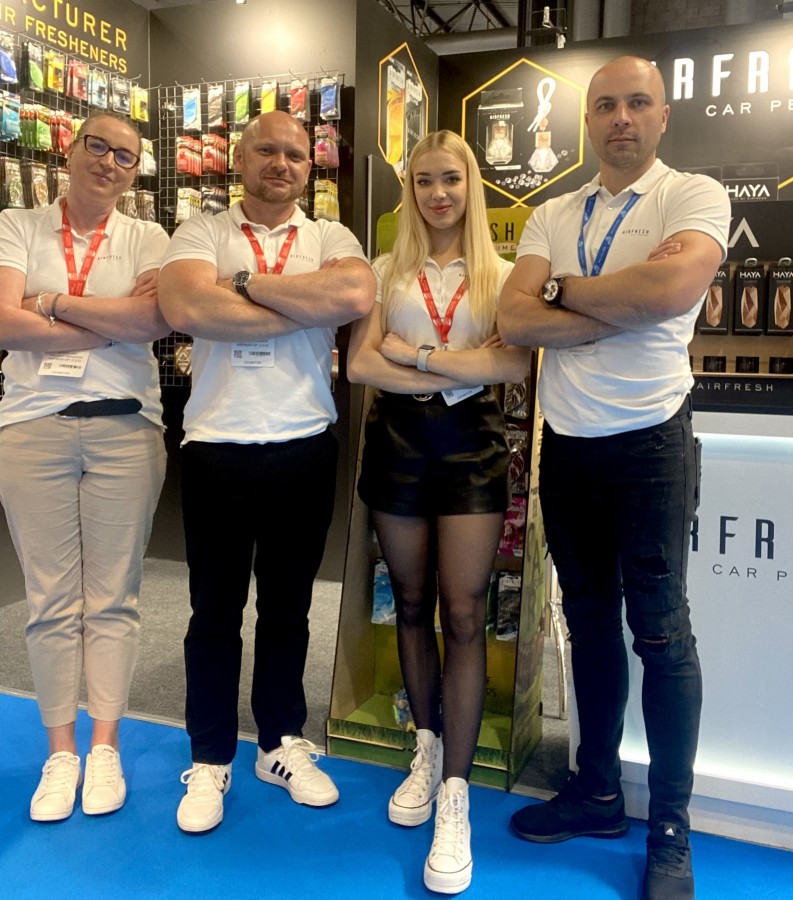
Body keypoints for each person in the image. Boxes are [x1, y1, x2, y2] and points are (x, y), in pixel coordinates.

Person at [497, 56, 731, 900]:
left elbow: (671, 288)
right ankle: (596, 792)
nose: (620, 117)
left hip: (650, 446)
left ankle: (669, 828)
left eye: (637, 103)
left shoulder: (691, 195)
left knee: (660, 634)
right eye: (604, 105)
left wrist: (564, 292)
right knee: (588, 626)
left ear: (662, 115)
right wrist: (611, 306)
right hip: (568, 444)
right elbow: (513, 317)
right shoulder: (552, 212)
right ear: (587, 121)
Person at [157, 110, 375, 834]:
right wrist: (302, 302)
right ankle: (210, 755)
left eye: (294, 154)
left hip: (303, 446)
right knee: (213, 614)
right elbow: (185, 303)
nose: (281, 163)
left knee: (288, 610)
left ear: (310, 167)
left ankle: (280, 743)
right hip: (216, 447)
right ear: (240, 159)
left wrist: (243, 286)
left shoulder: (330, 238)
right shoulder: (201, 232)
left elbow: (352, 297)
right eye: (266, 151)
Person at [347, 130, 531, 894]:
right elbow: (359, 363)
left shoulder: (502, 275)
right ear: (409, 190)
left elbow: (512, 362)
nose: (437, 194)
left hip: (472, 451)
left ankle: (454, 793)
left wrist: (418, 357)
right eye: (423, 181)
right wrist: (460, 365)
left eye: (450, 179)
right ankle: (425, 747)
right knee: (411, 603)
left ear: (470, 185)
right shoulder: (383, 269)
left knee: (463, 614)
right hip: (395, 445)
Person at [0, 112, 170, 822]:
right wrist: (109, 319)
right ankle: (60, 752)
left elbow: (152, 322)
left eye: (125, 156)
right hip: (31, 428)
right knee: (49, 601)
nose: (109, 162)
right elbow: (3, 323)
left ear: (134, 172)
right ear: (70, 152)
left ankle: (104, 746)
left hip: (125, 429)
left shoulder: (148, 237)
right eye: (97, 146)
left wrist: (52, 304)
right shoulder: (17, 225)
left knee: (112, 597)